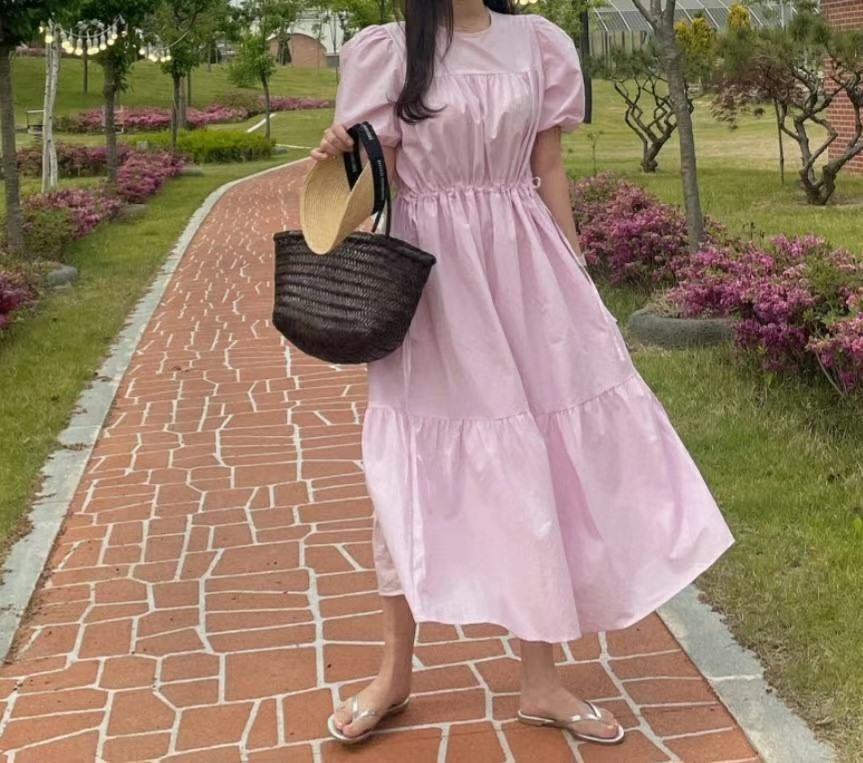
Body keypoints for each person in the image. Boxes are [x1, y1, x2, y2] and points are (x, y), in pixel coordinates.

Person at [310, 0, 735, 747]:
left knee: (535, 456)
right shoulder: (390, 51)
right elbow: (378, 189)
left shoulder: (538, 42)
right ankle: (393, 674)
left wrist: (575, 274)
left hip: (527, 269)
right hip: (434, 285)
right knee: (408, 468)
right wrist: (337, 158)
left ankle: (541, 680)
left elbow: (548, 168)